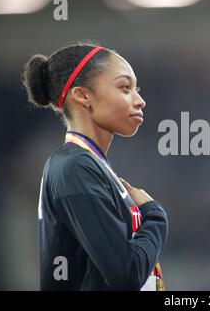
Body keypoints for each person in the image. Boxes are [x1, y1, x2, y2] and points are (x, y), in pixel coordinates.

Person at [22, 42, 168, 290]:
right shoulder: (73, 166)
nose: (140, 100)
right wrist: (155, 216)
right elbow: (126, 274)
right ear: (82, 95)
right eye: (125, 88)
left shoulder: (92, 165)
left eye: (137, 89)